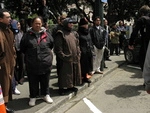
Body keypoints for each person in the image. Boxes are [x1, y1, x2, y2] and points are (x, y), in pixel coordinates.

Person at [20, 17, 54, 106]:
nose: (38, 25)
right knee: (33, 81)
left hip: (45, 63)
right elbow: (23, 48)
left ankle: (46, 94)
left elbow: (51, 45)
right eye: (36, 23)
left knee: (45, 81)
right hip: (32, 64)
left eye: (39, 23)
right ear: (32, 24)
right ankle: (33, 97)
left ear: (42, 24)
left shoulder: (47, 34)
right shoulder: (27, 35)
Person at [54, 18, 82, 95]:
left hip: (74, 57)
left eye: (72, 23)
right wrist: (64, 56)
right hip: (65, 59)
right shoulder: (60, 33)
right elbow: (58, 48)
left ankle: (71, 86)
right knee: (64, 73)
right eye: (70, 23)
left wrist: (78, 53)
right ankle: (62, 88)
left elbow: (77, 44)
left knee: (73, 72)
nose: (71, 25)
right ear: (66, 23)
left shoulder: (73, 33)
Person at [0, 9, 16, 113]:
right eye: (7, 17)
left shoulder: (9, 31)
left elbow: (12, 47)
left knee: (7, 86)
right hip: (2, 64)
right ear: (0, 19)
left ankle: (4, 107)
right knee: (3, 86)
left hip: (10, 63)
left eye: (10, 17)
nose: (10, 19)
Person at [128, 5, 150, 71]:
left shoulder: (142, 19)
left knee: (143, 58)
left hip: (146, 41)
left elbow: (135, 32)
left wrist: (131, 43)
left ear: (142, 13)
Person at [77, 18, 94, 83]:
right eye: (85, 24)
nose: (87, 26)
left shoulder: (88, 32)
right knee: (82, 65)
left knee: (88, 65)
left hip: (88, 50)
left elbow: (90, 40)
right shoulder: (78, 33)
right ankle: (82, 77)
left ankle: (86, 76)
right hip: (82, 51)